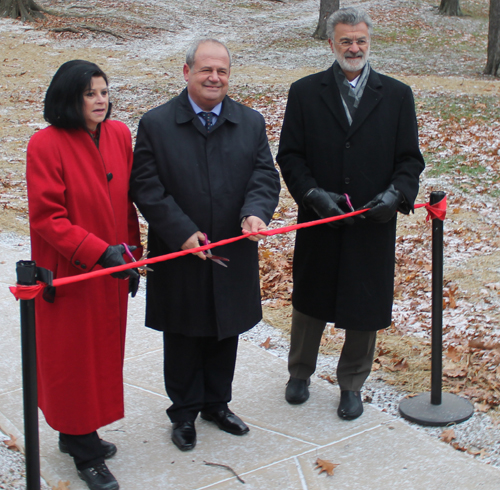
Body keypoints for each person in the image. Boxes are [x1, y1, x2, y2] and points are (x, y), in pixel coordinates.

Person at [130, 38, 280, 452]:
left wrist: (256, 211)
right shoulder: (157, 123)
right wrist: (181, 230)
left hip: (232, 250)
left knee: (223, 330)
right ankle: (183, 412)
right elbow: (145, 184)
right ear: (186, 72)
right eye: (205, 70)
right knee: (182, 333)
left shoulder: (249, 122)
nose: (214, 78)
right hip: (180, 251)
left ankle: (217, 403)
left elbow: (265, 177)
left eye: (222, 72)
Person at [276, 8, 425, 420]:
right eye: (346, 41)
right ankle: (300, 373)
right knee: (310, 300)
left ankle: (352, 383)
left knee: (364, 305)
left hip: (372, 223)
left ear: (369, 42)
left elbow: (410, 160)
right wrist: (310, 193)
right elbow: (289, 155)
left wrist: (396, 195)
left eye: (360, 40)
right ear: (331, 44)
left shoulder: (396, 95)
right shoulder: (305, 91)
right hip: (321, 219)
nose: (354, 48)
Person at [26, 60, 142, 490]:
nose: (100, 100)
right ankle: (84, 450)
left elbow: (126, 200)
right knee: (73, 364)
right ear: (68, 97)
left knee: (101, 358)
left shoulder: (118, 134)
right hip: (70, 276)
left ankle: (76, 433)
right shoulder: (45, 144)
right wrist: (98, 253)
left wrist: (132, 256)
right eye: (90, 93)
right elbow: (47, 218)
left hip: (111, 272)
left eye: (104, 92)